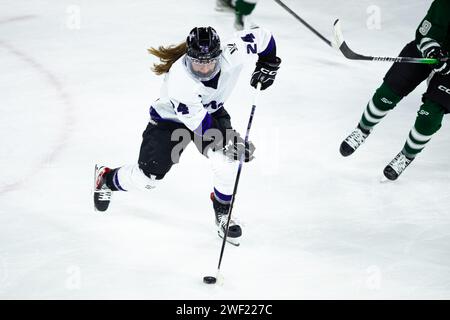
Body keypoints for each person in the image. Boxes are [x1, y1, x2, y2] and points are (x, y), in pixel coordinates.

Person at [94, 26, 281, 245]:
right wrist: (232, 141)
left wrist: (268, 62)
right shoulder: (181, 82)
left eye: (209, 61)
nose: (203, 68)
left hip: (209, 111)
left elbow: (263, 37)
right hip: (170, 121)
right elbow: (202, 126)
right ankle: (106, 179)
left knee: (226, 161)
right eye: (197, 62)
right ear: (188, 57)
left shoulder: (234, 51)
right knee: (148, 178)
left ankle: (223, 213)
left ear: (219, 54)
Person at [340, 0, 450, 180]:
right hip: (428, 51)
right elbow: (427, 33)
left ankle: (407, 155)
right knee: (386, 94)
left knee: (429, 117)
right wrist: (432, 50)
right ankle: (363, 129)